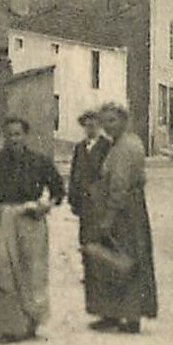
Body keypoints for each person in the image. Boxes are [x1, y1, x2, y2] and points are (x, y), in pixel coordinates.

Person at [0, 116, 66, 342]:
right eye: (9, 134)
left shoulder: (40, 161)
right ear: (4, 137)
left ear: (26, 136)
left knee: (31, 271)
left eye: (18, 134)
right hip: (2, 218)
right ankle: (8, 326)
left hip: (30, 220)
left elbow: (57, 190)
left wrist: (45, 205)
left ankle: (30, 321)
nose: (13, 138)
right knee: (2, 270)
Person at [81, 102, 157, 334]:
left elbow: (119, 186)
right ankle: (115, 313)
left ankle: (130, 314)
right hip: (132, 209)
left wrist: (109, 217)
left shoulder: (124, 148)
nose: (107, 127)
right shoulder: (127, 143)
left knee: (124, 260)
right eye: (104, 122)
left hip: (124, 213)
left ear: (124, 120)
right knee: (122, 259)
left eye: (112, 121)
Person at [68, 109, 113, 308]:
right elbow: (74, 173)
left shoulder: (107, 147)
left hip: (100, 202)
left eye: (93, 124)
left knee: (102, 237)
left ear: (99, 126)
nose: (90, 128)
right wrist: (72, 198)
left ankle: (102, 273)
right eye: (87, 125)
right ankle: (88, 273)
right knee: (85, 237)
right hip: (84, 202)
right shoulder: (79, 148)